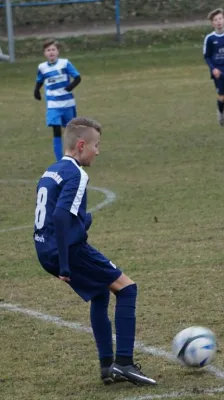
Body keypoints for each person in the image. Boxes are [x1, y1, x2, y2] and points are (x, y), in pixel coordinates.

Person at [33, 117, 156, 385]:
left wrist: (83, 221)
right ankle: (124, 362)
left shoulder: (51, 171)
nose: (98, 151)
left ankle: (106, 367)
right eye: (96, 145)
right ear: (81, 145)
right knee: (127, 288)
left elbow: (59, 214)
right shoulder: (77, 174)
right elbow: (61, 216)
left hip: (44, 248)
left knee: (101, 294)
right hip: (66, 250)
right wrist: (65, 264)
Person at [34, 39, 82, 161]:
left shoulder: (65, 64)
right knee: (56, 130)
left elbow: (77, 77)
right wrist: (36, 91)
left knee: (70, 131)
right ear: (45, 53)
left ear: (58, 51)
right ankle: (59, 159)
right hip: (53, 105)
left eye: (53, 49)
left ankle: (74, 155)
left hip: (67, 103)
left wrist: (70, 87)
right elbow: (39, 80)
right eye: (48, 50)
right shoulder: (42, 67)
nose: (51, 52)